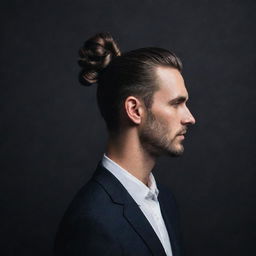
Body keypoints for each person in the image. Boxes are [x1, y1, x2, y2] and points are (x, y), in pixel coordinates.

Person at [54, 32, 196, 256]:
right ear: (134, 110)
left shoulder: (165, 201)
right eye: (176, 103)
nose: (190, 117)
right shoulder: (92, 222)